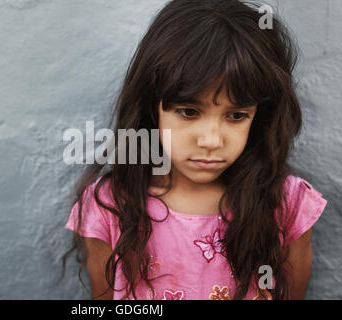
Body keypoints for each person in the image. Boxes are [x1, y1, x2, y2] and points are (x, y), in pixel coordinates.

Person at [61, 0, 328, 300]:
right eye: (189, 112)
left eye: (236, 115)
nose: (211, 140)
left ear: (259, 117)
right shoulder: (111, 207)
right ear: (153, 106)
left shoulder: (286, 206)